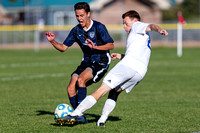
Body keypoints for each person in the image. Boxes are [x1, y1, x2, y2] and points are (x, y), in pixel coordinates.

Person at [55, 10, 168, 126]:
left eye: (126, 23)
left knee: (101, 90)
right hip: (140, 71)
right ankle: (102, 120)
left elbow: (151, 26)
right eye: (123, 24)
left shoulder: (137, 26)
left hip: (128, 66)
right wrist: (121, 56)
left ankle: (75, 114)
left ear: (135, 20)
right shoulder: (142, 37)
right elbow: (139, 55)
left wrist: (159, 30)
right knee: (115, 92)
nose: (124, 26)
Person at [46, 2, 114, 123]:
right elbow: (63, 48)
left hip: (101, 61)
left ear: (88, 14)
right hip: (86, 62)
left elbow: (111, 45)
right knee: (70, 88)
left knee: (81, 79)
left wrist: (95, 47)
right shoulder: (76, 30)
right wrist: (52, 41)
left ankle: (77, 113)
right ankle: (80, 117)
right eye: (77, 16)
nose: (79, 18)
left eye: (82, 15)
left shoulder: (99, 27)